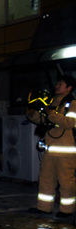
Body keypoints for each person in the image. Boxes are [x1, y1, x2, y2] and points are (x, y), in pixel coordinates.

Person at [26, 75, 76, 218]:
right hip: (50, 149)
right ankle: (43, 208)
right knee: (45, 180)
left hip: (67, 151)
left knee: (66, 182)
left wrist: (51, 114)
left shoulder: (73, 103)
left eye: (61, 84)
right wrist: (32, 114)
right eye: (58, 83)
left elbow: (70, 123)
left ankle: (67, 211)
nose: (57, 86)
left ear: (69, 88)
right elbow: (44, 120)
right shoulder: (53, 102)